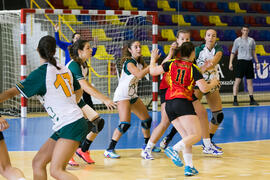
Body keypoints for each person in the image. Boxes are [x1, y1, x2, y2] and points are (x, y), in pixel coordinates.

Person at [0, 35, 89, 180]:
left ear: (37, 50)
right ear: (54, 51)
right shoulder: (65, 69)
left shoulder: (41, 74)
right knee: (38, 162)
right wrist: (69, 103)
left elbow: (11, 92)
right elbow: (79, 91)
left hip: (71, 123)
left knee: (57, 171)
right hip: (70, 122)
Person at [142, 30, 222, 160]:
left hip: (184, 90)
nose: (185, 41)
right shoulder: (174, 53)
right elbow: (160, 68)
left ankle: (207, 145)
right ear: (177, 40)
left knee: (201, 112)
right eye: (183, 39)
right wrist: (163, 56)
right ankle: (148, 148)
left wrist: (204, 69)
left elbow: (193, 72)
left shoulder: (190, 53)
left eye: (187, 39)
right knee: (165, 122)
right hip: (169, 89)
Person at [67, 39, 116, 165]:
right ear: (80, 51)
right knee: (76, 128)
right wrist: (104, 99)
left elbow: (85, 86)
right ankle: (67, 155)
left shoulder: (84, 65)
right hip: (67, 102)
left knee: (97, 123)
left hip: (77, 100)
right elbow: (86, 87)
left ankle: (83, 150)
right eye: (88, 48)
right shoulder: (73, 65)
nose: (91, 50)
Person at [104, 40, 155, 158]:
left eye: (139, 46)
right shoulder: (129, 62)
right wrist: (152, 63)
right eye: (135, 47)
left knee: (146, 120)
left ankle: (147, 145)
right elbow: (139, 75)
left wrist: (169, 55)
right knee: (125, 124)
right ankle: (109, 149)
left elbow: (153, 70)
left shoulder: (140, 63)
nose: (138, 49)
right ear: (130, 50)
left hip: (132, 95)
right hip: (123, 95)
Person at [54, 24, 97, 112]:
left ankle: (91, 111)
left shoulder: (83, 50)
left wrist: (95, 44)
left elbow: (92, 53)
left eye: (79, 38)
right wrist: (56, 31)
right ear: (73, 39)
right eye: (76, 38)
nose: (78, 39)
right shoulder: (68, 46)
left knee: (85, 92)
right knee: (72, 93)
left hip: (79, 72)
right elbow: (58, 42)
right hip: (69, 74)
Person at [194, 29, 224, 150]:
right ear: (205, 37)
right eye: (209, 35)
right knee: (189, 112)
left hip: (211, 83)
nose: (211, 38)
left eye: (213, 36)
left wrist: (200, 69)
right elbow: (191, 64)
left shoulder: (219, 50)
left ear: (216, 38)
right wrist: (198, 73)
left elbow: (213, 62)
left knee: (218, 116)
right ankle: (169, 138)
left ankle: (208, 143)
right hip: (198, 83)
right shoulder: (198, 50)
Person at [229, 25, 259, 106]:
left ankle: (251, 99)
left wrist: (257, 62)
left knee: (250, 82)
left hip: (249, 62)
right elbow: (233, 52)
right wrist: (230, 63)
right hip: (240, 62)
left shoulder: (251, 40)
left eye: (247, 30)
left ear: (248, 31)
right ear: (241, 31)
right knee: (237, 81)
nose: (245, 32)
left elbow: (253, 52)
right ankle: (235, 100)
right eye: (244, 30)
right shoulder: (237, 41)